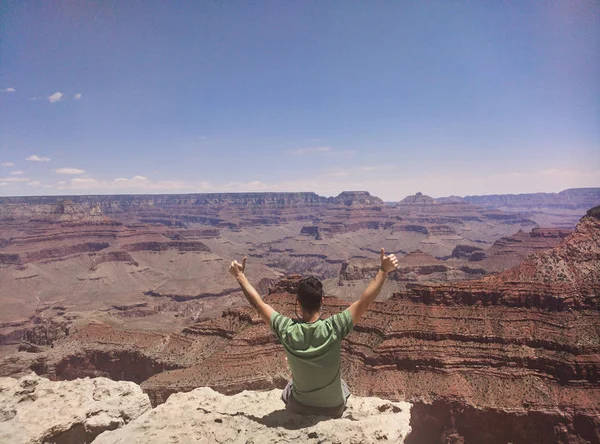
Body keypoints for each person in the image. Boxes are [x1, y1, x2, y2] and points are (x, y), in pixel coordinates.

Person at [228, 247, 398, 417]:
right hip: (334, 407)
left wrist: (239, 276)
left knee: (289, 387)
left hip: (301, 406)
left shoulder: (286, 329)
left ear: (298, 303)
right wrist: (384, 270)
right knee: (343, 385)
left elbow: (258, 305)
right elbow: (364, 302)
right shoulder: (334, 327)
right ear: (322, 300)